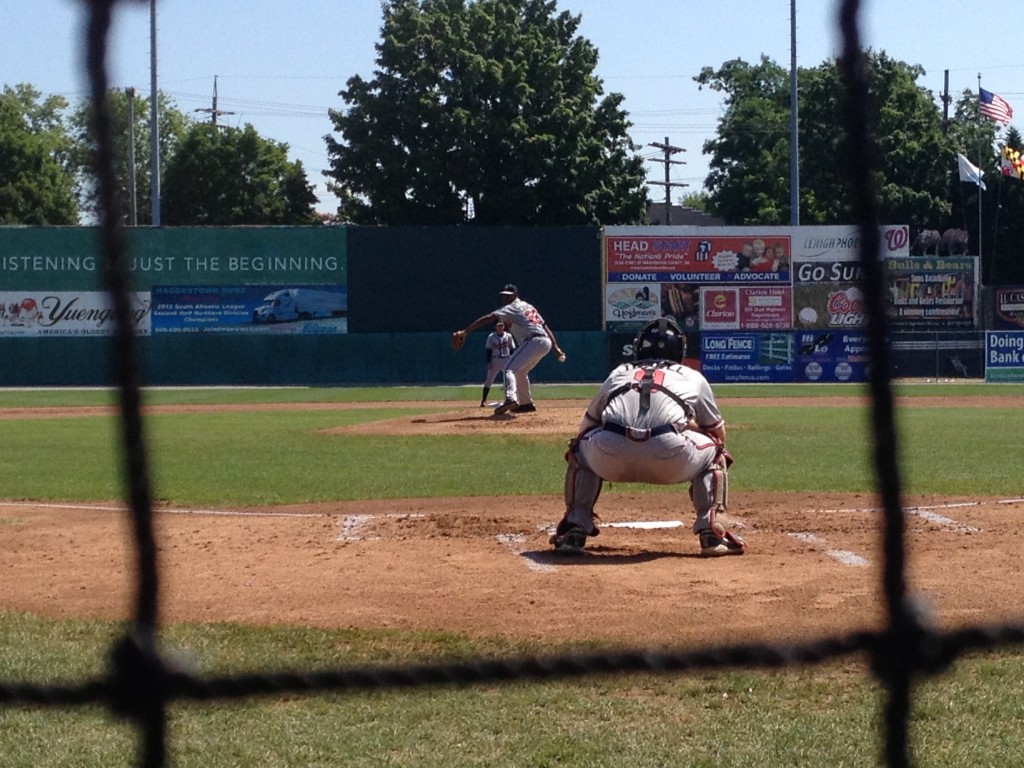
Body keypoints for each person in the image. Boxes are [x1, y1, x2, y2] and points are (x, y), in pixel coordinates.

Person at [549, 316, 746, 557]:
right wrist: (688, 426)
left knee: (580, 446)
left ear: (639, 347)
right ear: (679, 351)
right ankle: (711, 533)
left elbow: (587, 425)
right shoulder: (693, 376)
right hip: (672, 456)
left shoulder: (620, 371)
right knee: (716, 449)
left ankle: (575, 528)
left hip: (609, 455)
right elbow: (717, 433)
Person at [453, 284, 566, 415]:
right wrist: (555, 347)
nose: (505, 298)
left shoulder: (512, 307)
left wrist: (466, 331)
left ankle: (510, 399)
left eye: (508, 295)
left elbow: (489, 318)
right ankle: (526, 404)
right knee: (520, 372)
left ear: (515, 295)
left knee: (508, 368)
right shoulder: (528, 306)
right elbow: (544, 327)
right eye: (504, 295)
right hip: (544, 342)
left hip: (534, 341)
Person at [481, 321, 516, 406]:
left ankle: (510, 399)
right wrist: (489, 362)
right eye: (498, 326)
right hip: (495, 360)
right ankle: (483, 401)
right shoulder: (491, 337)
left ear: (504, 327)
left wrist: (512, 361)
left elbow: (512, 349)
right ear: (495, 327)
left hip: (506, 360)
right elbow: (488, 350)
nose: (500, 327)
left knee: (509, 380)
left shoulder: (508, 336)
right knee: (489, 380)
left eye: (501, 326)